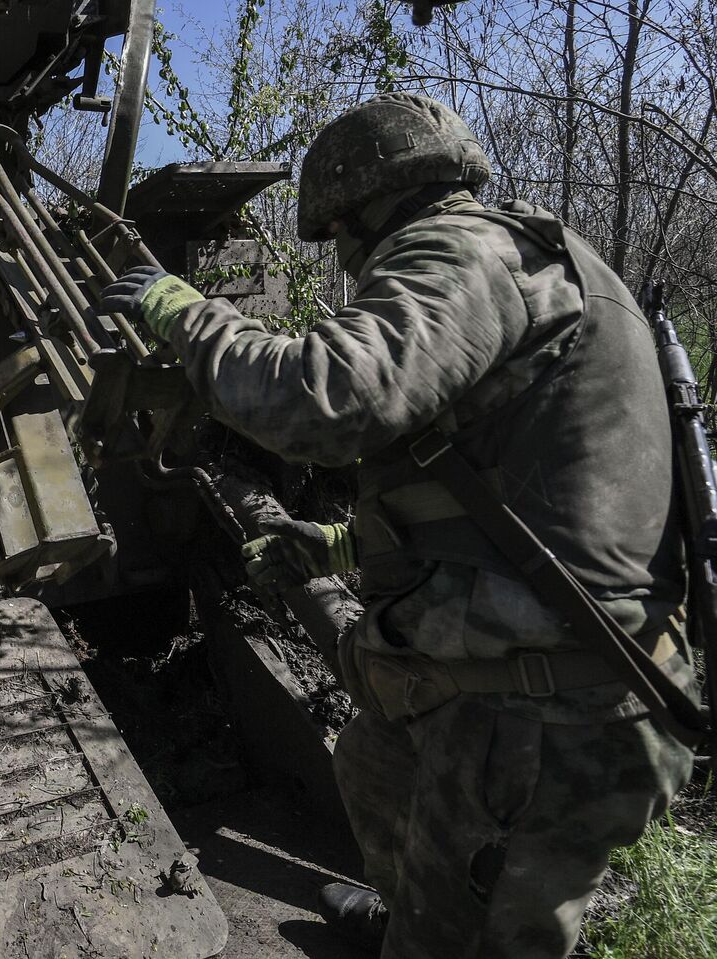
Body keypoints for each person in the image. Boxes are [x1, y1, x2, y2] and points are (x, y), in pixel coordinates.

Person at [102, 93, 697, 959]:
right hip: (536, 676)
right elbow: (534, 498)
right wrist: (340, 545)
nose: (345, 261)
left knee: (479, 938)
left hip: (549, 719)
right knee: (370, 766)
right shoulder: (538, 263)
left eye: (341, 234)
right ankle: (419, 916)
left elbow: (330, 395)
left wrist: (185, 313)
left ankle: (438, 935)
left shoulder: (461, 248)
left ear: (374, 204)